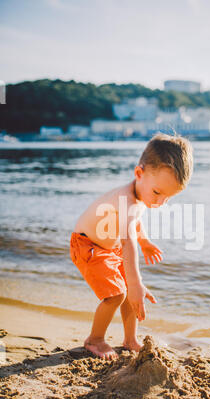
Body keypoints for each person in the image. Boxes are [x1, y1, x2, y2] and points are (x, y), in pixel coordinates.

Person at [69, 133, 193, 359]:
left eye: (168, 197)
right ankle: (94, 340)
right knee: (118, 294)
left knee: (129, 293)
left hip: (109, 246)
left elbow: (135, 223)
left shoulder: (142, 194)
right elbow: (128, 242)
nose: (159, 202)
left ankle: (129, 339)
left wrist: (144, 242)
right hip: (88, 246)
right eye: (157, 193)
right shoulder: (125, 198)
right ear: (139, 173)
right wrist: (136, 284)